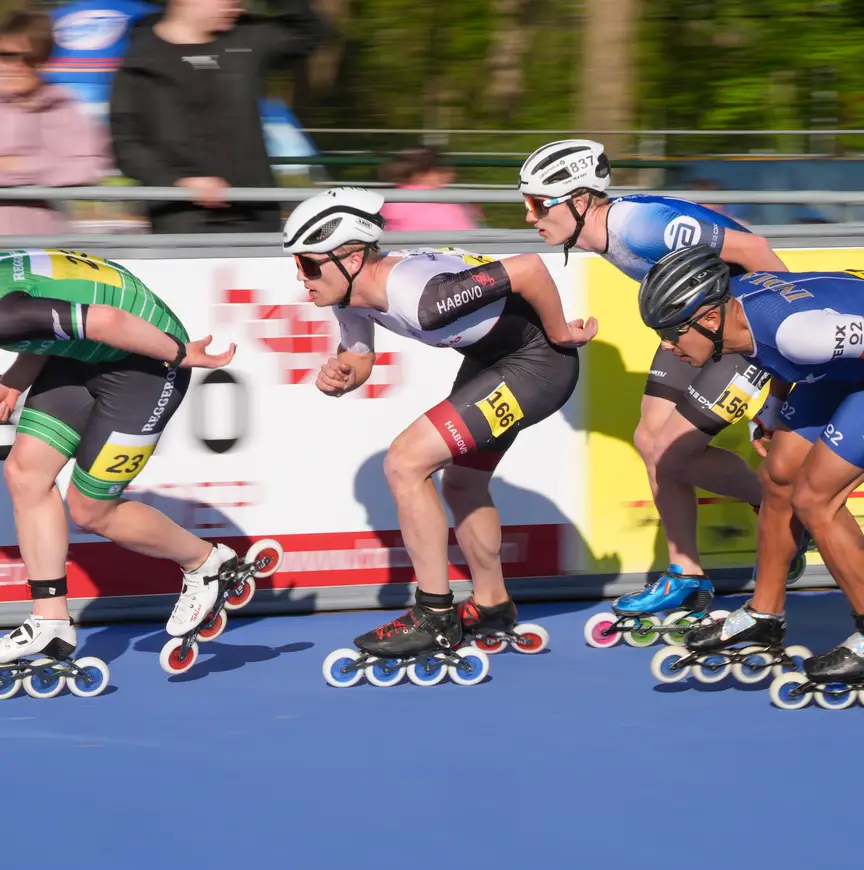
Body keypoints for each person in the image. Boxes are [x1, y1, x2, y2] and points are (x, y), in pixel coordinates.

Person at [283, 187, 596, 677]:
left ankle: (433, 613)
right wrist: (344, 374)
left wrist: (560, 332)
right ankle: (492, 604)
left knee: (406, 461)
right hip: (496, 359)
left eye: (307, 265)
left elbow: (531, 268)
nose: (301, 278)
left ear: (348, 256)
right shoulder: (351, 295)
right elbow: (358, 357)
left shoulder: (423, 298)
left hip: (537, 365)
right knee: (462, 482)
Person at [518, 138, 802, 632]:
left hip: (744, 329)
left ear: (581, 200)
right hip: (695, 326)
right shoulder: (600, 230)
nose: (528, 216)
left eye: (539, 203)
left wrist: (778, 340)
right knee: (650, 439)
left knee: (675, 451)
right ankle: (686, 572)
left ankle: (787, 513)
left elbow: (755, 250)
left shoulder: (639, 225)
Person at [638, 245, 864, 704]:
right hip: (839, 368)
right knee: (778, 477)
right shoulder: (734, 312)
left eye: (672, 331)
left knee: (815, 497)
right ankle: (764, 614)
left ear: (710, 319)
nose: (666, 344)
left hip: (848, 363)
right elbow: (773, 356)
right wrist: (776, 409)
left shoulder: (800, 333)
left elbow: (795, 342)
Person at [0, 248, 238, 669]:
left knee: (91, 510)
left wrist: (182, 353)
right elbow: (43, 317)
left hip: (146, 358)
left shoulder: (5, 314)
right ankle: (50, 620)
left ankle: (205, 562)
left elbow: (109, 321)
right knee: (25, 473)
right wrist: (15, 382)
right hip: (84, 351)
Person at [109, 0, 330, 233]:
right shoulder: (140, 61)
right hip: (181, 217)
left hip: (255, 214)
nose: (238, 5)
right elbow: (127, 144)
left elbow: (308, 34)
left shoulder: (247, 40)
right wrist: (179, 181)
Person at [0, 10, 108, 234]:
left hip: (37, 241)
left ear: (44, 62)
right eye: (4, 55)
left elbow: (89, 166)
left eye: (27, 58)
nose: (11, 66)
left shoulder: (61, 106)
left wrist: (23, 166)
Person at [379, 146, 482, 233]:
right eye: (444, 170)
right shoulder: (452, 202)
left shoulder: (389, 201)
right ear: (426, 173)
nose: (451, 175)